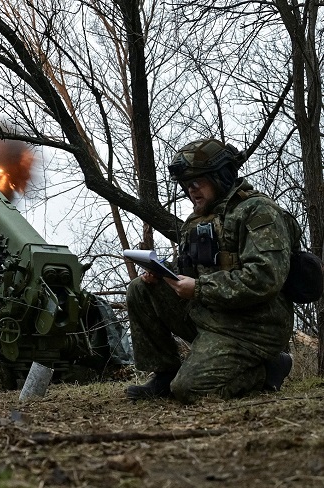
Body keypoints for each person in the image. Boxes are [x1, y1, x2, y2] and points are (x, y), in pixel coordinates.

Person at [126, 138, 297, 403]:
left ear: (220, 177)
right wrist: (162, 273)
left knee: (189, 390)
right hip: (211, 313)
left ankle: (267, 369)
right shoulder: (198, 218)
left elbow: (264, 278)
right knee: (141, 289)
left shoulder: (259, 212)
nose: (192, 190)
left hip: (253, 327)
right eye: (187, 185)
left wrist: (200, 289)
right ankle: (165, 374)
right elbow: (189, 268)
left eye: (198, 182)